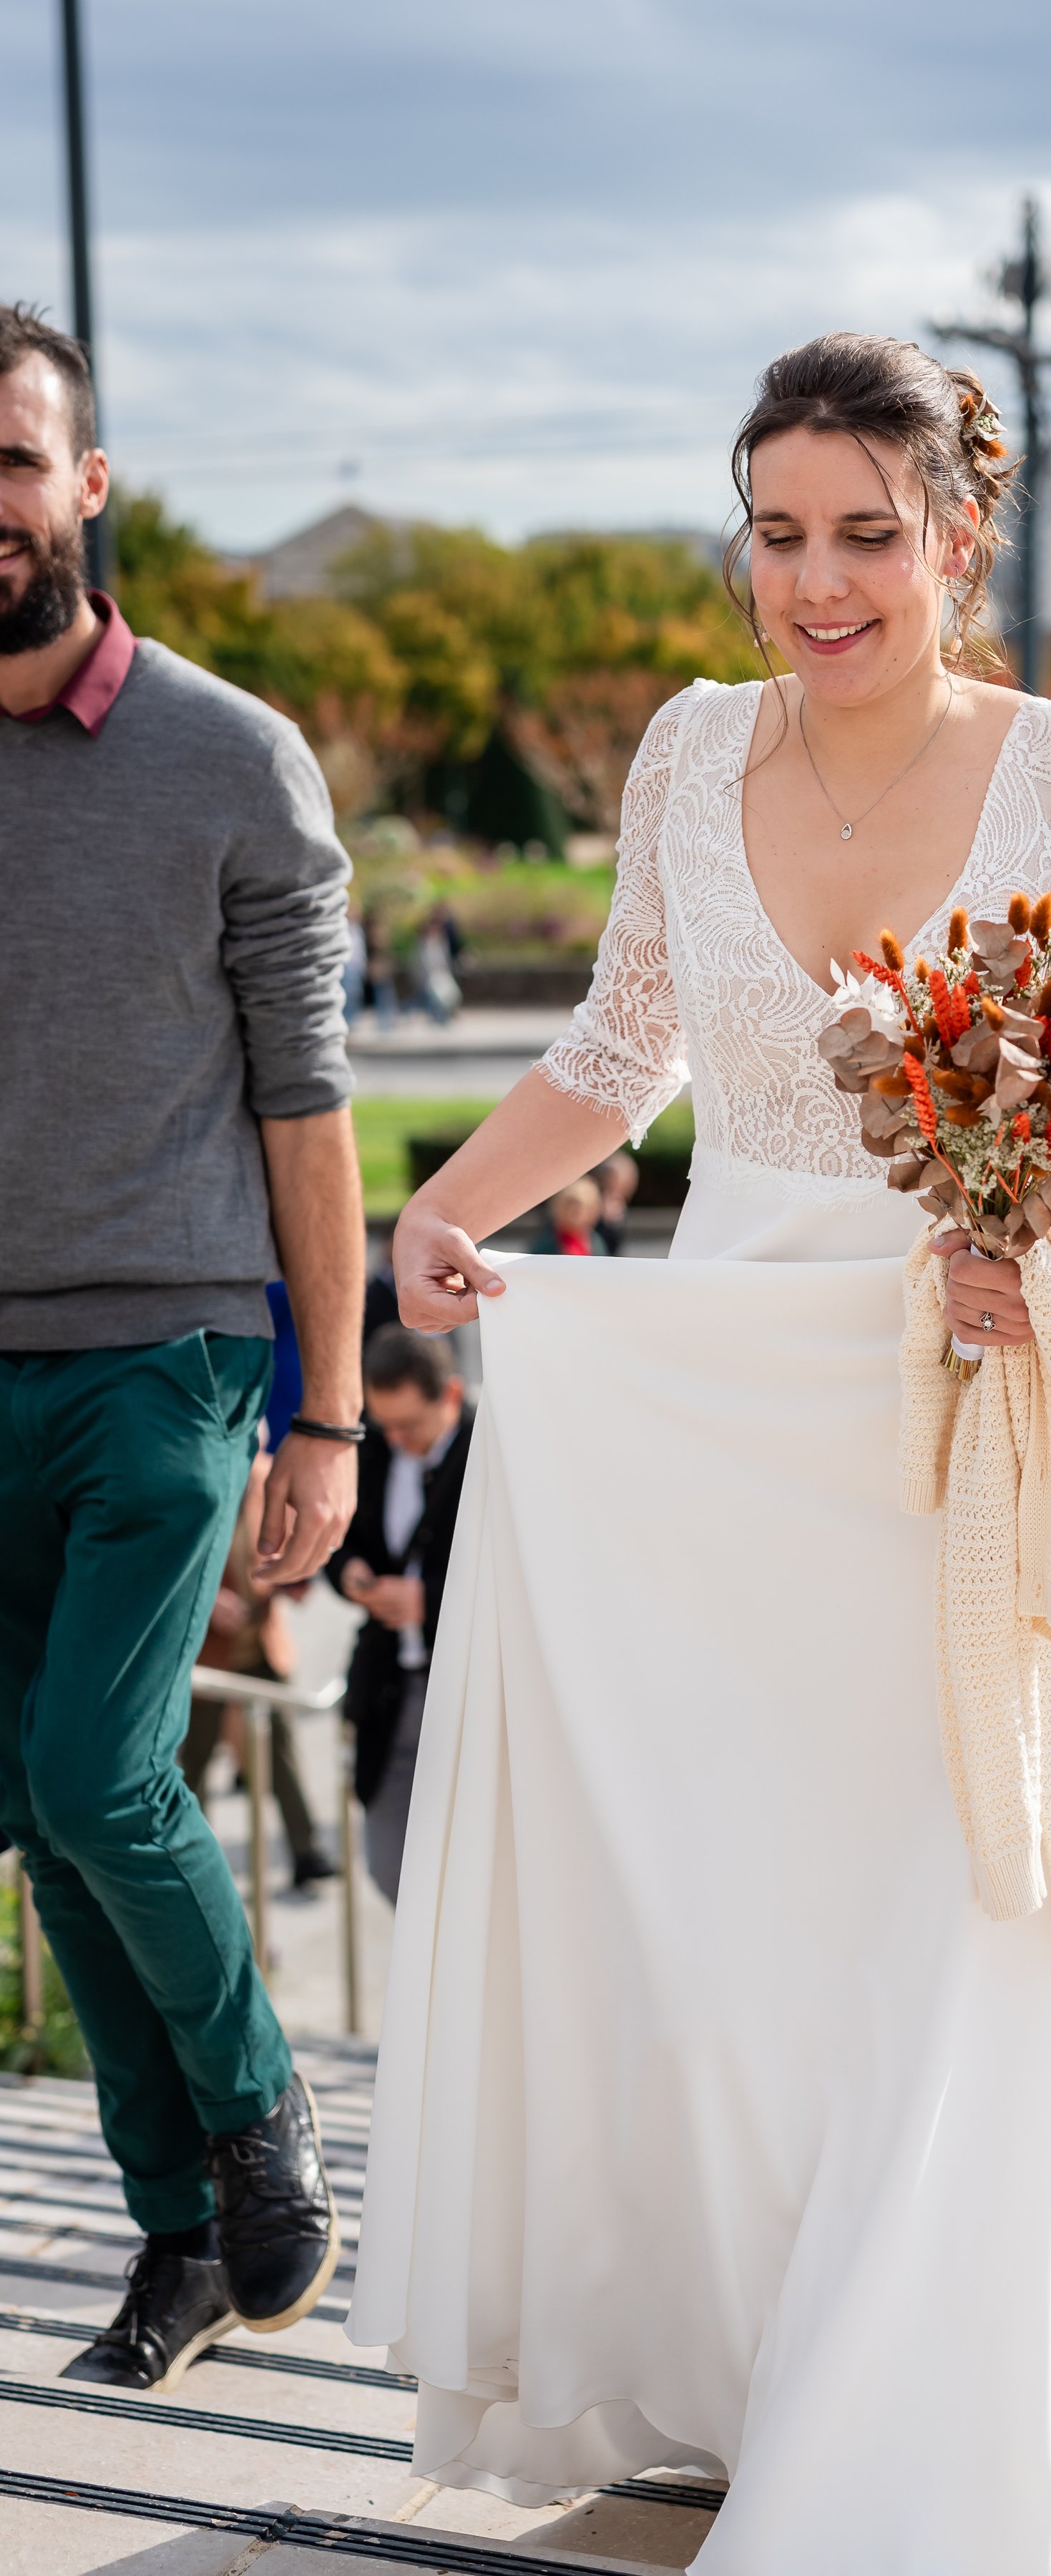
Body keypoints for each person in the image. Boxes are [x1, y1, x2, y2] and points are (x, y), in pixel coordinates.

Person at [349, 333, 1051, 2575]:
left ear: (956, 535)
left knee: (960, 1925)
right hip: (716, 1423)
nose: (816, 582)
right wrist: (443, 1203)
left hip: (964, 1411)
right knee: (731, 1938)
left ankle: (918, 2450)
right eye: (775, 534)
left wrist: (1031, 1238)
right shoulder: (680, 751)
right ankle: (752, 2377)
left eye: (865, 532)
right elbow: (618, 1045)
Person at [0, 304, 357, 2391]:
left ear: (89, 487)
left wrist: (323, 1403)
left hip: (173, 1350)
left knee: (93, 1764)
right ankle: (180, 2236)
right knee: (38, 1809)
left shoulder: (230, 756)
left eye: (14, 463)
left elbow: (304, 1111)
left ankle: (260, 2124)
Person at [328, 1327, 474, 1905]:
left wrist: (427, 1602)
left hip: (467, 1693)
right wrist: (350, 1575)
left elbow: (527, 1573)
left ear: (452, 1395)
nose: (396, 1438)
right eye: (384, 1424)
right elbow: (338, 1541)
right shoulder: (373, 1451)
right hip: (388, 1691)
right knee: (390, 1869)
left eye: (409, 1425)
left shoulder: (497, 1452)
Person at [182, 1431, 338, 1891]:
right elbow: (172, 1564)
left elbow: (298, 1545)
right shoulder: (196, 1482)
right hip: (208, 1654)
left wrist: (294, 1580)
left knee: (282, 1753)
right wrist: (209, 1602)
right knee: (193, 1761)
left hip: (262, 1640)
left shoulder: (272, 1479)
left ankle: (307, 1852)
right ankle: (191, 1866)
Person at [531, 1175, 603, 1255]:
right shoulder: (548, 1242)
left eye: (580, 1208)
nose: (574, 1212)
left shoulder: (595, 1241)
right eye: (569, 1205)